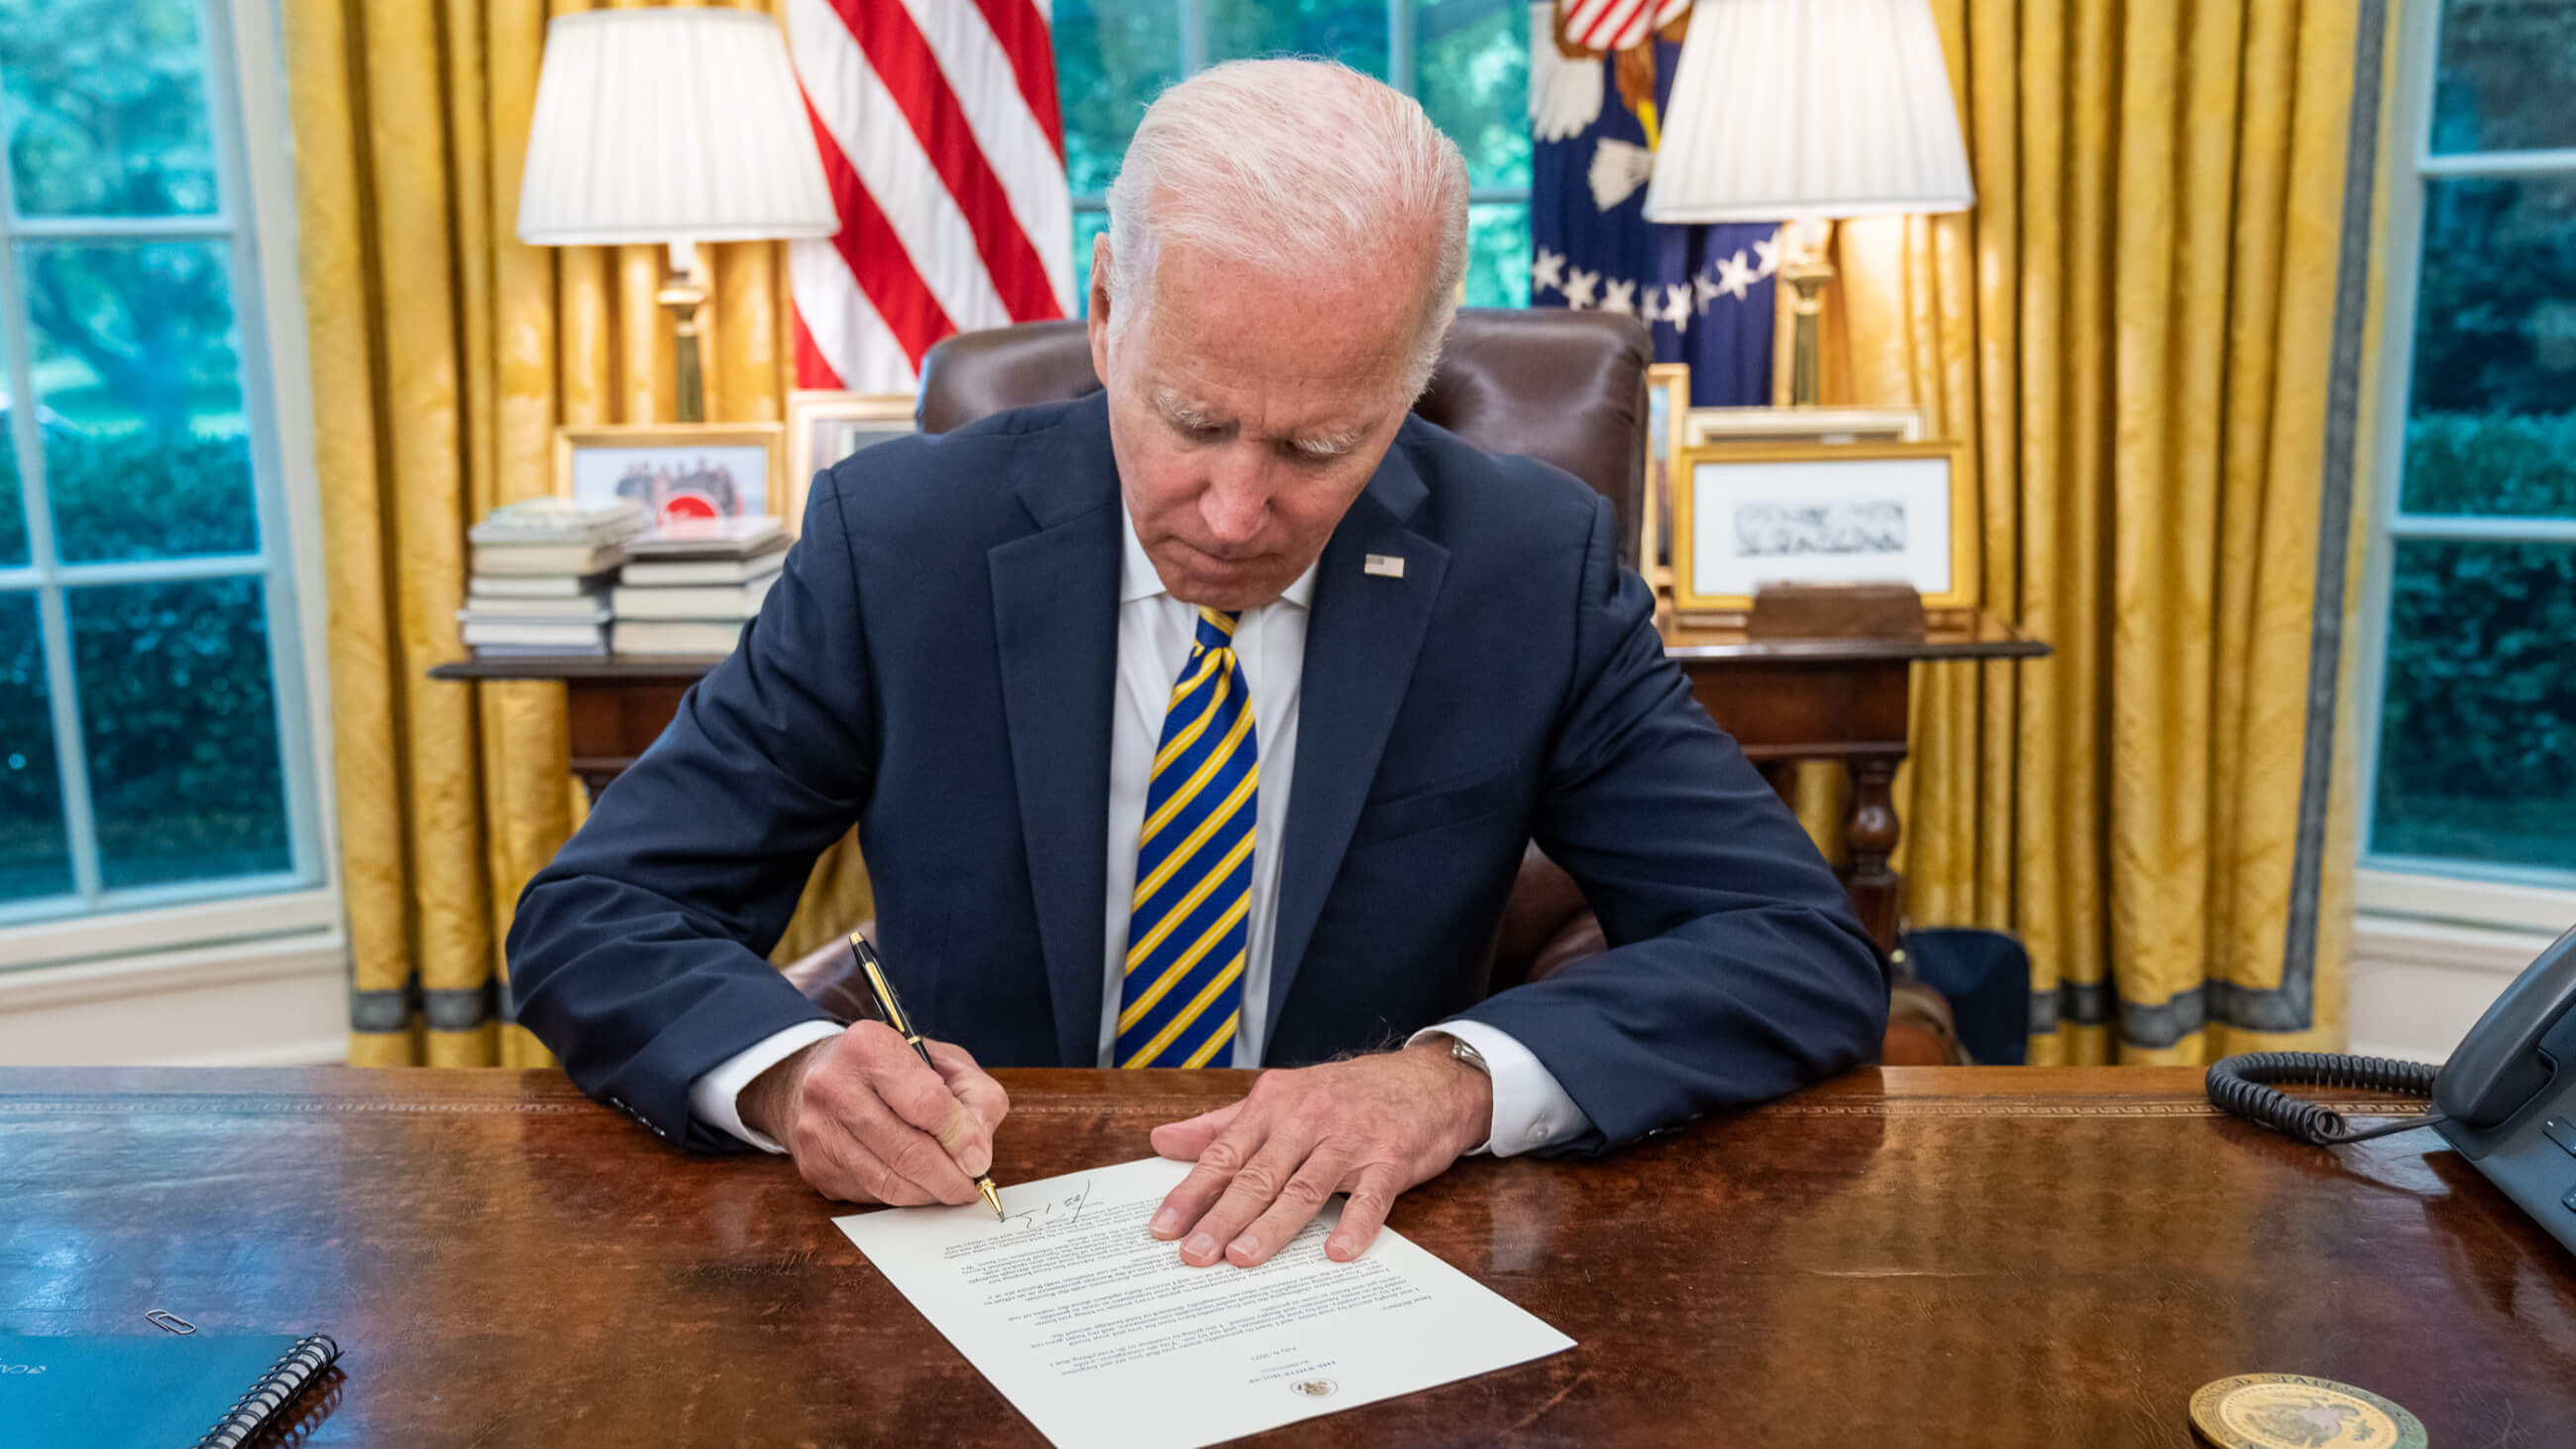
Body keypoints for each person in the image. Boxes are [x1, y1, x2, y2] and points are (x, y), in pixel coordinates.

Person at [506, 58, 1883, 1274]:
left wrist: (1454, 1080)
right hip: (980, 1251)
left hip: (1358, 1266)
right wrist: (792, 1074)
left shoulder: (1530, 572)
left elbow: (1794, 948)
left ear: (1411, 385)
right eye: (1191, 418)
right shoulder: (902, 542)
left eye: (1316, 446)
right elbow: (602, 909)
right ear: (1109, 312)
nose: (1233, 512)